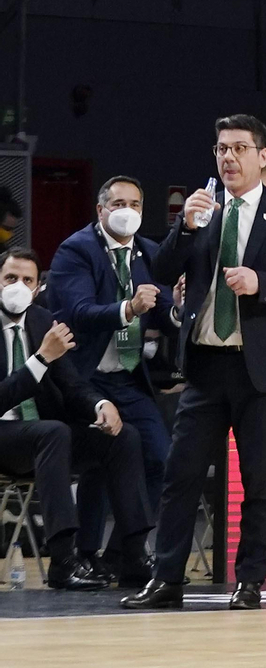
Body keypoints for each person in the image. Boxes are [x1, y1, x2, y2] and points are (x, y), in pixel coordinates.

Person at [122, 114, 266, 611]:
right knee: (181, 474)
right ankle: (167, 579)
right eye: (221, 149)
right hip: (207, 364)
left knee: (260, 480)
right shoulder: (204, 212)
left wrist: (261, 283)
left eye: (238, 148)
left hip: (265, 370)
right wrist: (184, 229)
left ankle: (249, 580)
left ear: (263, 156)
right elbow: (161, 268)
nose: (228, 157)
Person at [46, 176, 175, 571]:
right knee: (102, 458)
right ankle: (87, 553)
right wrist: (129, 309)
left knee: (161, 458)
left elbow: (165, 311)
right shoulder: (76, 250)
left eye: (135, 204)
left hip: (128, 376)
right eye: (118, 204)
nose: (127, 211)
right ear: (100, 210)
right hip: (83, 377)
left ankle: (122, 552)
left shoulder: (149, 252)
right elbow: (79, 312)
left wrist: (178, 308)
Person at [0, 248, 148, 590]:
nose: (18, 286)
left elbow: (71, 384)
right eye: (10, 278)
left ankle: (133, 555)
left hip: (45, 440)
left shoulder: (42, 320)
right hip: (7, 434)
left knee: (123, 436)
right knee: (53, 432)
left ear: (38, 288)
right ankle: (63, 561)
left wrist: (101, 405)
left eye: (27, 280)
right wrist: (40, 359)